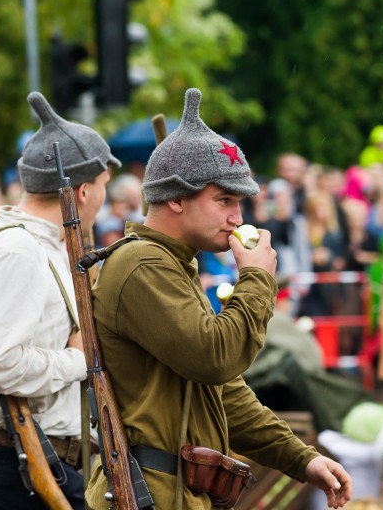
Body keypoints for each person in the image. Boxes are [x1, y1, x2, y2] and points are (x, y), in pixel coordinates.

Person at [86, 88, 352, 509]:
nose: (237, 218)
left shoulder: (173, 262)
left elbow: (224, 391)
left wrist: (303, 459)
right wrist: (256, 279)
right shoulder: (142, 264)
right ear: (174, 197)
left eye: (240, 202)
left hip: (174, 494)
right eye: (224, 200)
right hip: (147, 496)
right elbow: (216, 357)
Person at [0, 91, 119, 510]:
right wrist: (76, 361)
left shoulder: (46, 246)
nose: (104, 198)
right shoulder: (19, 251)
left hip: (42, 462)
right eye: (103, 187)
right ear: (83, 191)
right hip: (15, 469)